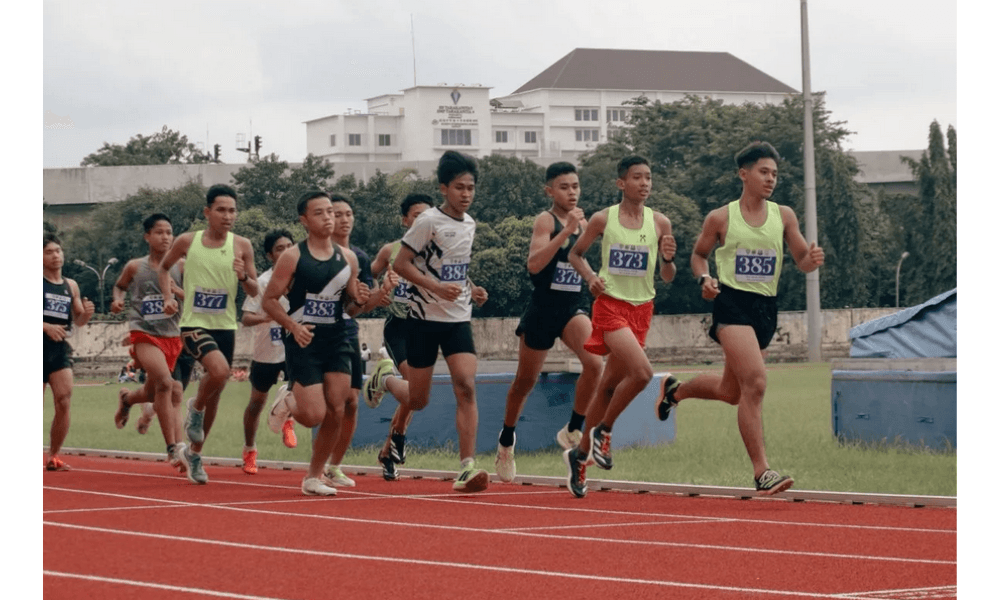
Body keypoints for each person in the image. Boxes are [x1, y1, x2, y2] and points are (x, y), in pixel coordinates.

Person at [654, 141, 825, 496]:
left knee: (731, 392)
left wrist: (811, 260)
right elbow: (699, 256)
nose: (771, 179)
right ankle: (763, 472)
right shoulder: (720, 218)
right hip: (731, 303)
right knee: (756, 383)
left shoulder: (784, 216)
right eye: (764, 172)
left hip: (766, 309)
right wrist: (704, 279)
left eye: (774, 174)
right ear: (743, 174)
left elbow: (801, 260)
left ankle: (675, 391)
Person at [367, 151, 490, 492]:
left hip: (458, 318)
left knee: (466, 385)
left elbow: (453, 268)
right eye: (459, 188)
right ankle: (385, 378)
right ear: (443, 188)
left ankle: (466, 467)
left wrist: (471, 289)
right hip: (422, 320)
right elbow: (402, 264)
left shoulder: (470, 224)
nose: (466, 194)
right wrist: (434, 288)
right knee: (418, 400)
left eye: (471, 188)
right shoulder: (428, 222)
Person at [562, 155, 677, 498]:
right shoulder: (603, 219)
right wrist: (590, 278)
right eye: (637, 177)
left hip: (642, 309)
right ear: (621, 183)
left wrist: (668, 259)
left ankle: (580, 454)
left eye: (648, 177)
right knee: (642, 374)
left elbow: (667, 276)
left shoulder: (660, 223)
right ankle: (604, 431)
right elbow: (575, 254)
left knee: (608, 387)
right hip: (610, 306)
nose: (644, 183)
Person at [494, 162, 604, 482]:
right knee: (524, 383)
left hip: (571, 308)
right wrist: (566, 231)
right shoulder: (546, 220)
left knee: (594, 363)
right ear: (549, 191)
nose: (572, 192)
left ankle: (572, 429)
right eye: (564, 187)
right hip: (543, 309)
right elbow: (534, 264)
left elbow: (579, 261)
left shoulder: (584, 223)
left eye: (575, 186)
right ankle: (506, 441)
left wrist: (593, 279)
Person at [262, 190, 369, 496]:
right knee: (313, 416)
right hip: (304, 338)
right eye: (319, 213)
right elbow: (269, 300)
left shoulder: (348, 258)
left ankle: (313, 477)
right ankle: (288, 401)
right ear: (304, 220)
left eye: (330, 212)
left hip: (337, 338)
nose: (328, 218)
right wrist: (293, 327)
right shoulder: (293, 257)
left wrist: (362, 297)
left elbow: (351, 303)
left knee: (337, 407)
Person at [157, 183, 259, 485]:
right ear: (207, 212)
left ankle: (194, 453)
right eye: (221, 210)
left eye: (232, 211)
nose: (228, 216)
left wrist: (243, 276)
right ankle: (195, 407)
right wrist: (168, 297)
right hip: (194, 323)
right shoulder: (188, 241)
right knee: (220, 371)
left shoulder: (242, 245)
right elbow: (164, 268)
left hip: (225, 326)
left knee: (216, 391)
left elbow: (254, 290)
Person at [317, 194, 399, 488]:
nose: (344, 219)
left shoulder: (360, 258)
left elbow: (358, 308)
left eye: (349, 213)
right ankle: (289, 397)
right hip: (313, 333)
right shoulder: (314, 255)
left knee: (350, 403)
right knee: (322, 404)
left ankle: (334, 467)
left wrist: (381, 292)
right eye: (337, 214)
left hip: (346, 332)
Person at [110, 213, 188, 474]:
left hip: (172, 335)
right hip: (143, 332)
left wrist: (177, 293)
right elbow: (120, 286)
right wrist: (118, 300)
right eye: (159, 232)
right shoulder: (135, 266)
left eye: (169, 232)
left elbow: (194, 297)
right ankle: (174, 448)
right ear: (147, 236)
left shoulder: (182, 266)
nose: (165, 237)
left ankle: (128, 399)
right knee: (167, 384)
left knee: (157, 392)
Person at [366, 193, 433, 481]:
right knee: (413, 386)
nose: (423, 221)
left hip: (426, 327)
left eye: (427, 216)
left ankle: (389, 450)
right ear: (405, 220)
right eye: (417, 216)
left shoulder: (438, 253)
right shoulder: (390, 251)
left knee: (415, 395)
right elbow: (366, 276)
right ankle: (384, 379)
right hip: (399, 328)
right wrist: (378, 291)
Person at [239, 229, 296, 475]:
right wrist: (268, 317)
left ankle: (286, 417)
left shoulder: (304, 278)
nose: (286, 252)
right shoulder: (262, 283)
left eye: (290, 247)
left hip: (294, 346)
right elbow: (246, 318)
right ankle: (250, 450)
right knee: (256, 403)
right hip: (266, 351)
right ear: (270, 256)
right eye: (280, 249)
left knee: (303, 389)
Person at [43, 233, 96, 471]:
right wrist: (45, 326)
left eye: (58, 251)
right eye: (49, 252)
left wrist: (87, 313)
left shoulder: (70, 285)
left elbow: (79, 320)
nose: (56, 256)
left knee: (64, 400)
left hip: (58, 349)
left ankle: (53, 455)